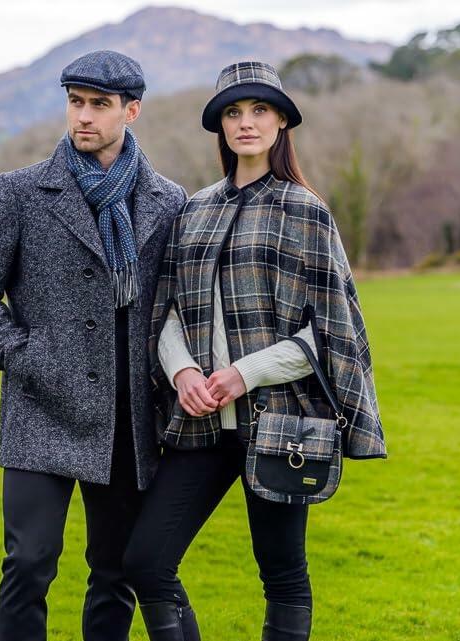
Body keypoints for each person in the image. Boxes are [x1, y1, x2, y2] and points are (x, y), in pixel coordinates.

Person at [121, 61, 387, 641]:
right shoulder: (195, 209)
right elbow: (167, 311)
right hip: (200, 422)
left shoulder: (305, 210)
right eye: (234, 112)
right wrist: (183, 370)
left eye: (259, 110)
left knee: (282, 573)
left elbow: (331, 330)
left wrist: (244, 373)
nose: (246, 122)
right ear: (220, 125)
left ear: (281, 121)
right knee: (145, 562)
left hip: (281, 423)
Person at [0, 50, 187, 641]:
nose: (83, 116)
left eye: (99, 105)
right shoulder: (22, 191)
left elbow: (174, 306)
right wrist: (24, 356)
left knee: (114, 572)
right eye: (75, 102)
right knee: (28, 564)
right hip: (41, 407)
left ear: (131, 111)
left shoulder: (169, 202)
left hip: (128, 420)